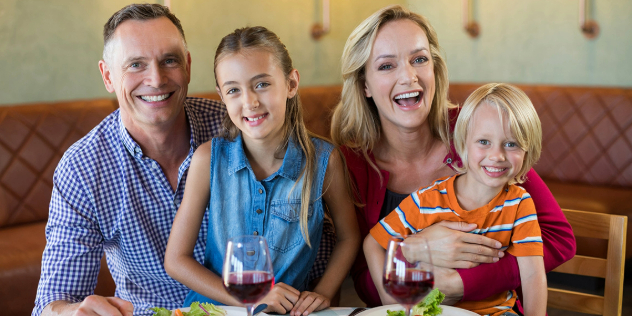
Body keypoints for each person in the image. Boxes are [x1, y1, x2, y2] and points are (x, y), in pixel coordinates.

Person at [329, 5, 575, 310]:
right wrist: (415, 250)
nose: (408, 76)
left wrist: (464, 283)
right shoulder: (350, 163)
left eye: (419, 59)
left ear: (434, 69)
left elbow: (559, 239)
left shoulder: (477, 134)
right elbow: (364, 276)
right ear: (364, 84)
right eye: (386, 66)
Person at [163, 26, 360, 316]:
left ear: (291, 83)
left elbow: (349, 237)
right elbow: (176, 260)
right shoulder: (208, 159)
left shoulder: (324, 161)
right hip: (213, 311)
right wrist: (251, 301)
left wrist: (323, 292)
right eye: (234, 90)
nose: (250, 102)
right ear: (222, 96)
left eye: (262, 84)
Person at [365, 83, 547, 316]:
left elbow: (532, 275)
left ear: (527, 152)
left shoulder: (520, 204)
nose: (497, 156)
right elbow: (373, 244)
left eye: (511, 144)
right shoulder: (425, 200)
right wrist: (392, 303)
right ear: (463, 144)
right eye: (483, 142)